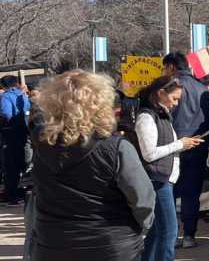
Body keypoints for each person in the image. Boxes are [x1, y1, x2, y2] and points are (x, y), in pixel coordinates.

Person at [31, 70, 155, 260]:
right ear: (101, 103)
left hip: (53, 243)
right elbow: (142, 200)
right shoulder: (116, 147)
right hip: (110, 245)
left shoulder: (41, 144)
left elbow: (40, 193)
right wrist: (143, 228)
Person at [132, 76, 204, 261]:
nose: (176, 103)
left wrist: (183, 144)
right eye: (174, 98)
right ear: (161, 93)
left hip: (162, 179)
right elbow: (149, 154)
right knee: (169, 231)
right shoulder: (147, 117)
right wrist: (180, 144)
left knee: (157, 232)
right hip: (157, 180)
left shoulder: (161, 115)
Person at [162, 52, 209, 249]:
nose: (164, 72)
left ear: (172, 67)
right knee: (192, 192)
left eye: (165, 68)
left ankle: (173, 234)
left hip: (175, 145)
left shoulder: (172, 87)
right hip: (198, 145)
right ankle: (189, 235)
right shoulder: (203, 89)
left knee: (170, 191)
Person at [1, 75, 31, 206]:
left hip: (10, 134)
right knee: (21, 163)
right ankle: (19, 192)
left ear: (3, 85)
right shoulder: (23, 95)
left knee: (10, 166)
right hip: (23, 133)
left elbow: (6, 113)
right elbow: (28, 110)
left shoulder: (6, 97)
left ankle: (11, 195)